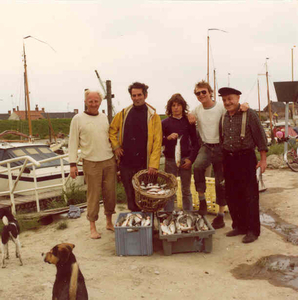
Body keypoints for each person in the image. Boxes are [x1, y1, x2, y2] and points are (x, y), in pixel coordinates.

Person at [189, 80, 248, 229]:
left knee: (220, 182)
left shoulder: (221, 107)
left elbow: (237, 108)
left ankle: (220, 215)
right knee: (197, 167)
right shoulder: (197, 110)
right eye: (198, 93)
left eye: (204, 92)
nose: (201, 95)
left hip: (222, 147)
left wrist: (244, 106)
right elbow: (188, 114)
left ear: (210, 93)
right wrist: (189, 115)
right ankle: (202, 201)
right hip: (207, 146)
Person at [219, 86, 268, 243]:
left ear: (238, 98)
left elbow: (260, 137)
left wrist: (263, 159)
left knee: (250, 195)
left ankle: (253, 230)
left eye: (230, 99)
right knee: (232, 194)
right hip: (229, 158)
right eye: (225, 99)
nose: (227, 102)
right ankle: (239, 226)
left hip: (245, 158)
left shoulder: (250, 114)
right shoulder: (224, 117)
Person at [68, 90, 116, 239]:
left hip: (109, 160)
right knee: (93, 196)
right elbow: (73, 142)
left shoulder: (104, 117)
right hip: (90, 162)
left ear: (100, 102)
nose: (94, 104)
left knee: (110, 193)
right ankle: (93, 227)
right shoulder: (77, 119)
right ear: (85, 102)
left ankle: (109, 221)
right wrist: (72, 164)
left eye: (96, 101)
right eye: (91, 101)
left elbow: (110, 137)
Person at [109, 82, 162, 211]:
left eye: (139, 95)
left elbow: (157, 142)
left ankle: (148, 224)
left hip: (144, 164)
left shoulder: (153, 117)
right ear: (131, 96)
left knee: (146, 196)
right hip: (126, 162)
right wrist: (115, 146)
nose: (137, 98)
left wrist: (153, 164)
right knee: (130, 195)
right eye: (134, 95)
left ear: (145, 95)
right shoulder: (123, 114)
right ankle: (136, 222)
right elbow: (112, 130)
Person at [162, 93, 199, 211]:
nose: (176, 108)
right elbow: (159, 141)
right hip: (170, 161)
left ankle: (188, 214)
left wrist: (191, 159)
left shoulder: (189, 121)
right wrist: (167, 138)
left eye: (178, 105)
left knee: (186, 190)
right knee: (170, 189)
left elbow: (196, 143)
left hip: (185, 160)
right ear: (170, 108)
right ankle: (168, 214)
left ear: (183, 107)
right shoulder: (165, 123)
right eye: (173, 105)